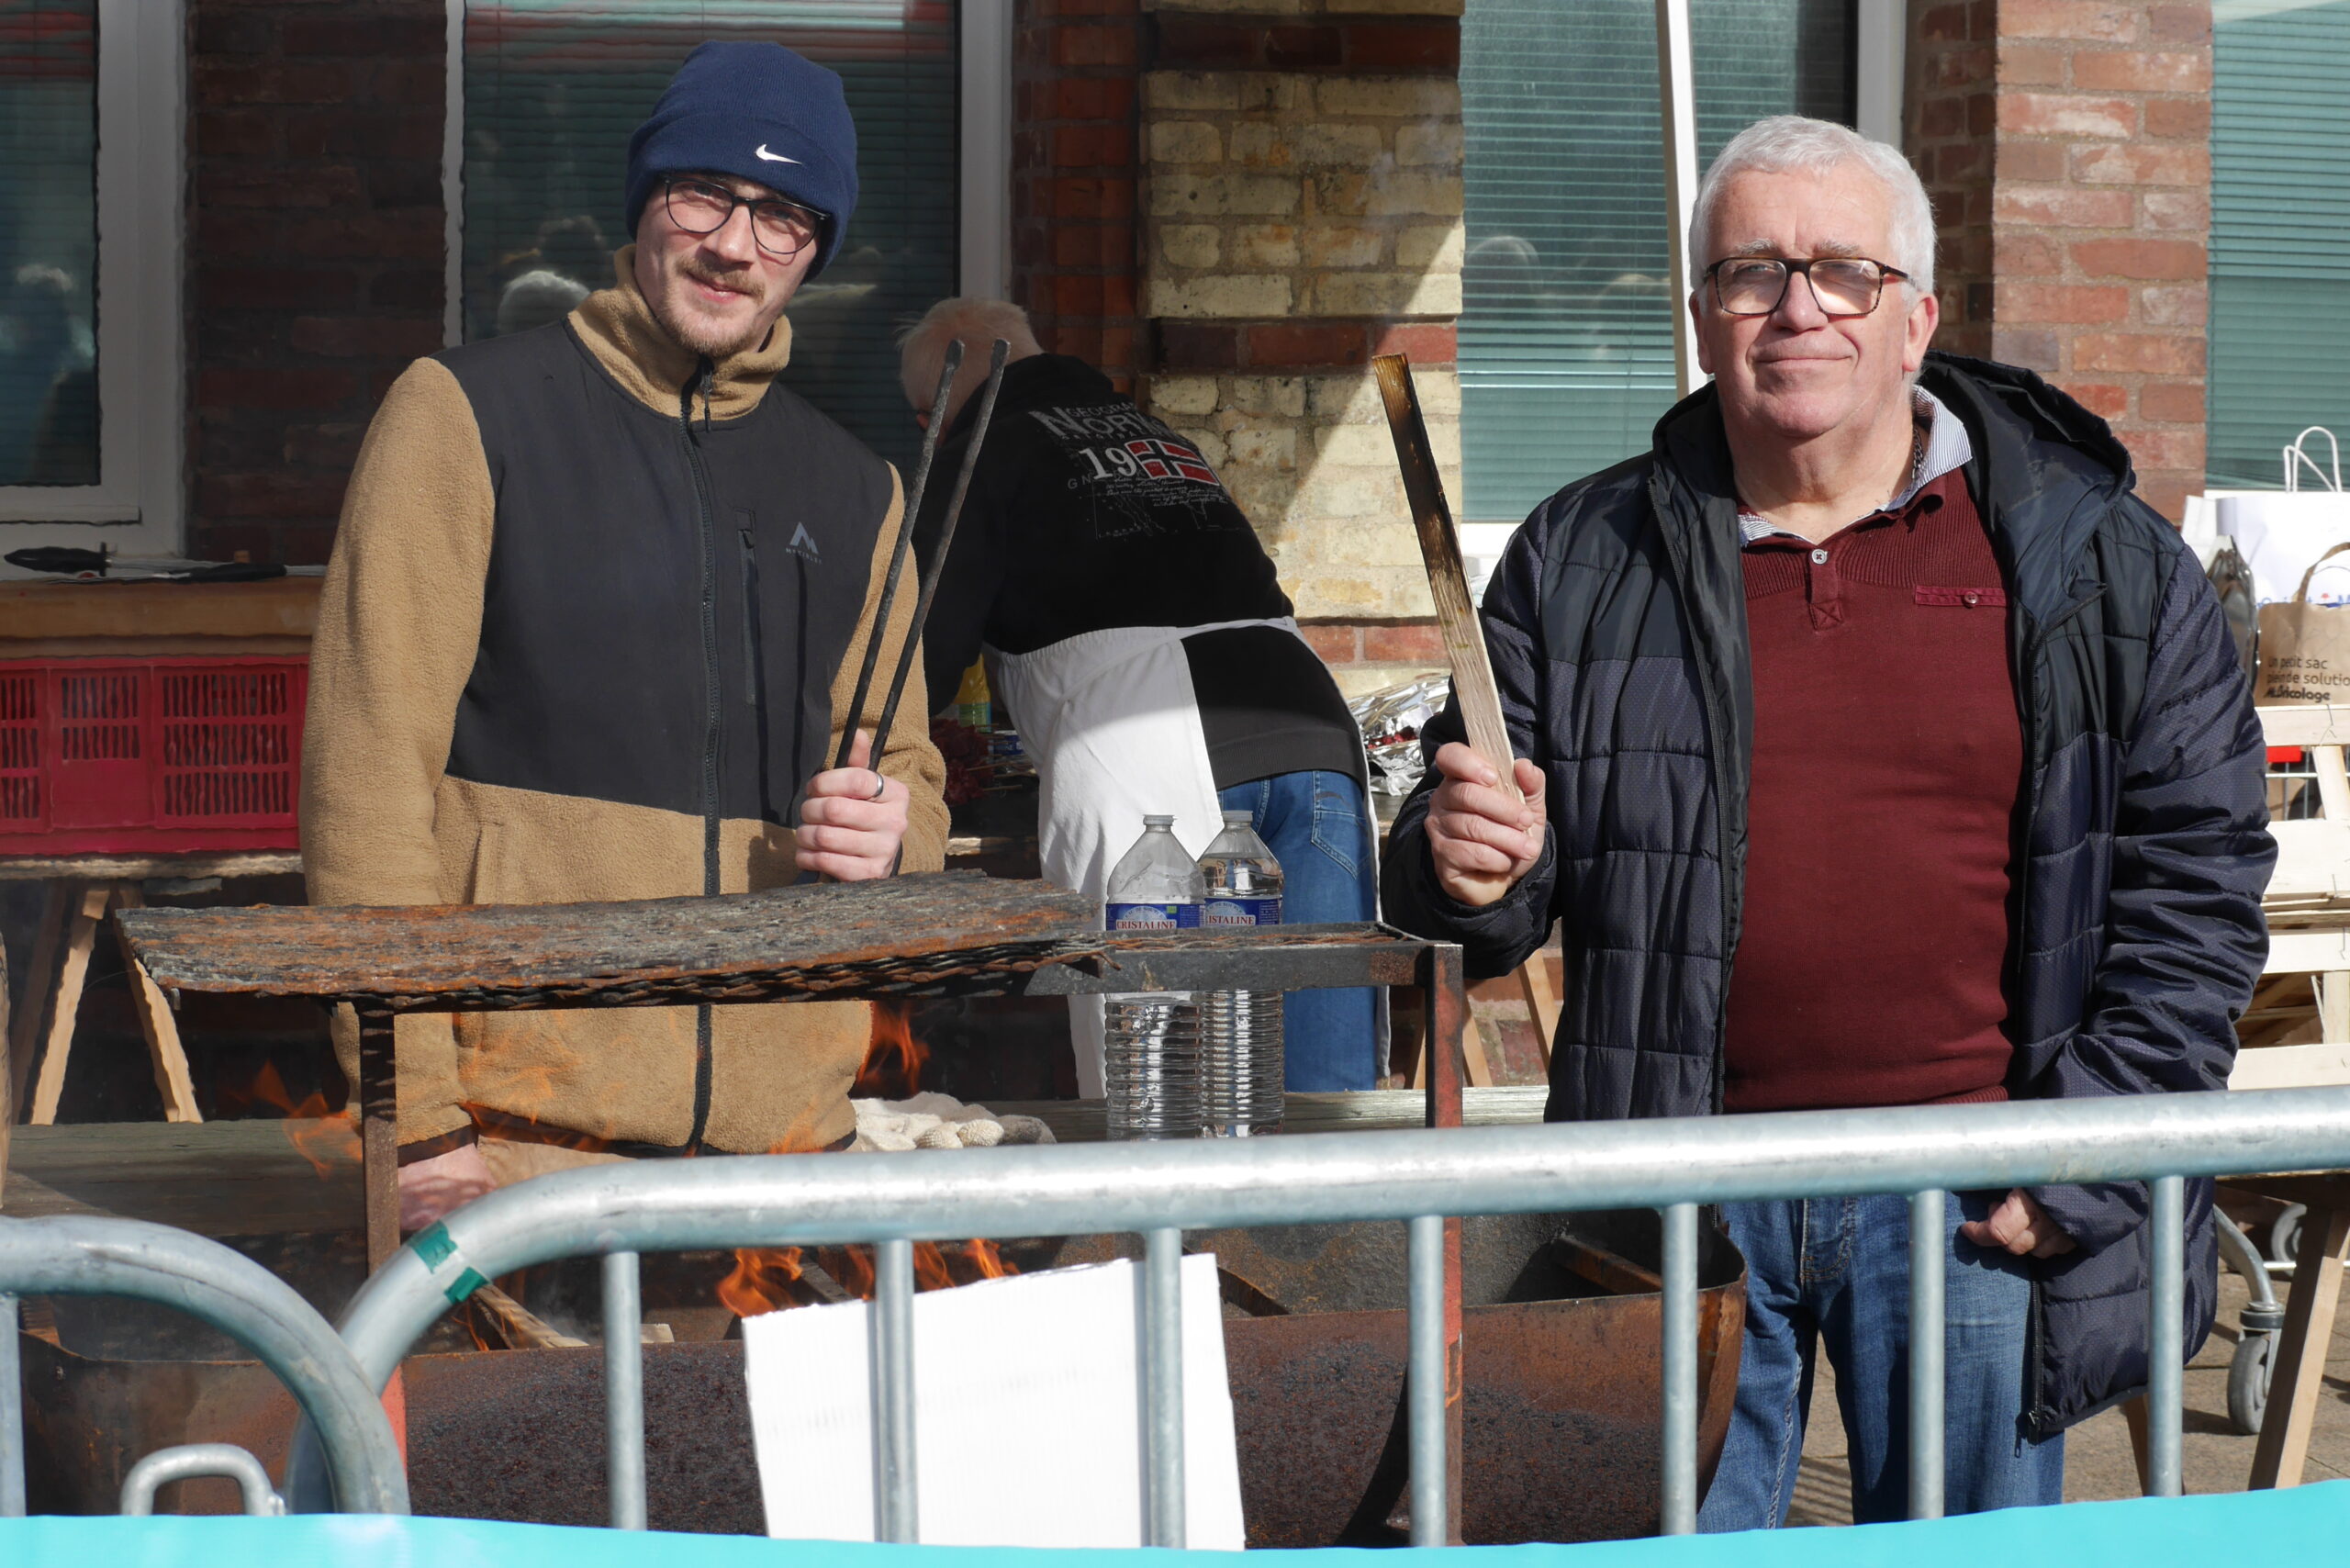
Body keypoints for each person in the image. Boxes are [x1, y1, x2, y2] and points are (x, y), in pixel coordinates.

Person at [1382, 116, 2271, 1526]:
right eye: (1750, 273)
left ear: (1915, 320)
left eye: (1842, 271)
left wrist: (2082, 1166)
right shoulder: (1579, 557)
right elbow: (1481, 894)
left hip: (1972, 1196)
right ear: (1700, 320)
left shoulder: (2101, 565)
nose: (1797, 306)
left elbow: (2199, 895)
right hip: (1684, 1200)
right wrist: (1466, 864)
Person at [304, 40, 949, 1232]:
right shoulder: (466, 418)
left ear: (818, 247)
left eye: (785, 214)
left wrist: (894, 840)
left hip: (787, 1162)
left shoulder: (858, 489)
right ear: (645, 198)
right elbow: (367, 794)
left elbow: (908, 776)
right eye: (706, 191)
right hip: (517, 1155)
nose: (736, 243)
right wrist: (423, 1122)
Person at [897, 297, 1383, 1092]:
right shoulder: (1161, 437)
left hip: (1146, 746)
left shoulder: (981, 444)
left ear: (942, 404)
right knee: (1321, 1083)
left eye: (924, 420)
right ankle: (1349, 1221)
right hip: (1312, 734)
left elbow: (920, 655)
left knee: (1164, 1085)